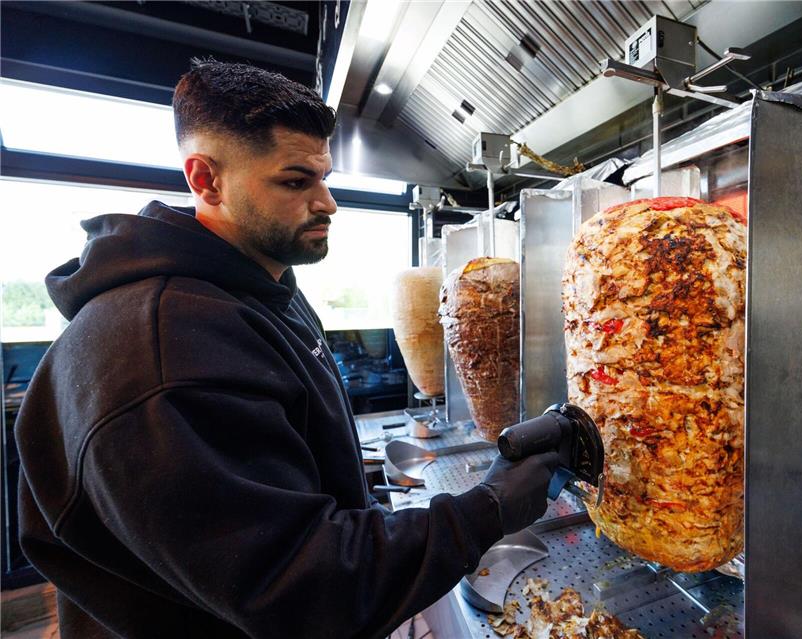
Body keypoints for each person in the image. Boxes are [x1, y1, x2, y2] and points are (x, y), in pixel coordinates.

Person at [15, 60, 560, 639]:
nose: (327, 203)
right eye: (296, 181)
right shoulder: (166, 352)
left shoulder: (260, 290)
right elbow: (300, 588)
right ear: (206, 180)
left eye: (324, 177)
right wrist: (490, 508)